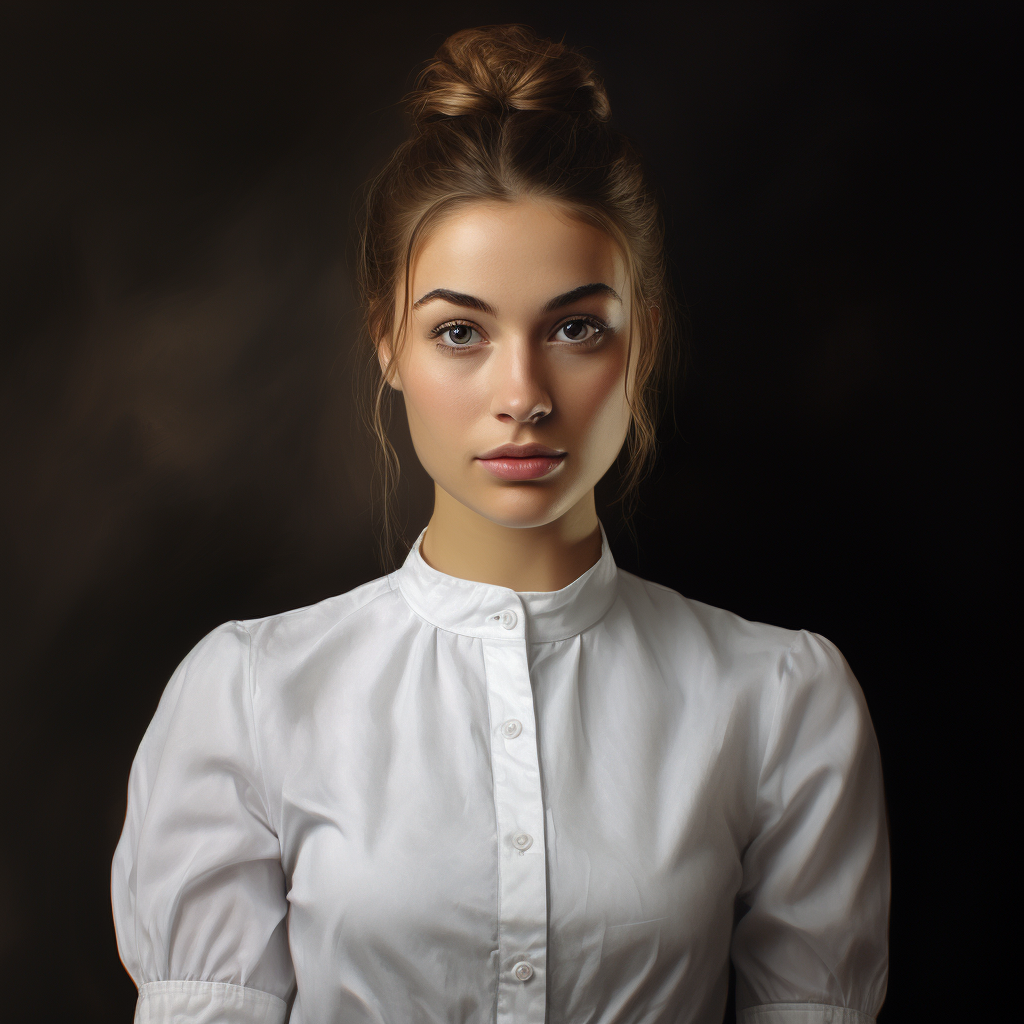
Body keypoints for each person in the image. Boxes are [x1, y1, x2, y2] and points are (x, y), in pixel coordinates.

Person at [111, 24, 889, 1024]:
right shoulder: (250, 698)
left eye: (573, 327)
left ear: (639, 341)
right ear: (387, 341)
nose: (521, 393)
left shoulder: (780, 704)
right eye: (459, 332)